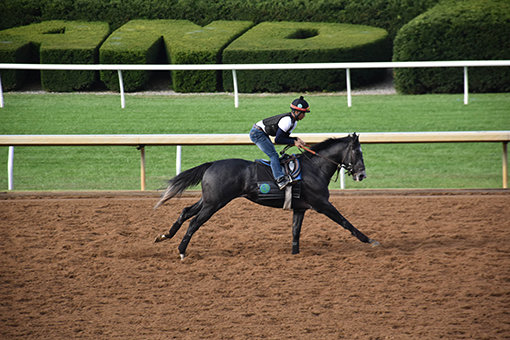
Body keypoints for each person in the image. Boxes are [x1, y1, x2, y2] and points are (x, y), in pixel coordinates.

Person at [250, 96, 309, 190]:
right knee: (273, 155)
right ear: (297, 112)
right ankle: (280, 180)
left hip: (262, 133)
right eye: (303, 113)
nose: (304, 116)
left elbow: (283, 137)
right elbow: (277, 140)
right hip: (257, 133)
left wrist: (296, 139)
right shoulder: (287, 121)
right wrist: (294, 142)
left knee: (274, 155)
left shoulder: (294, 122)